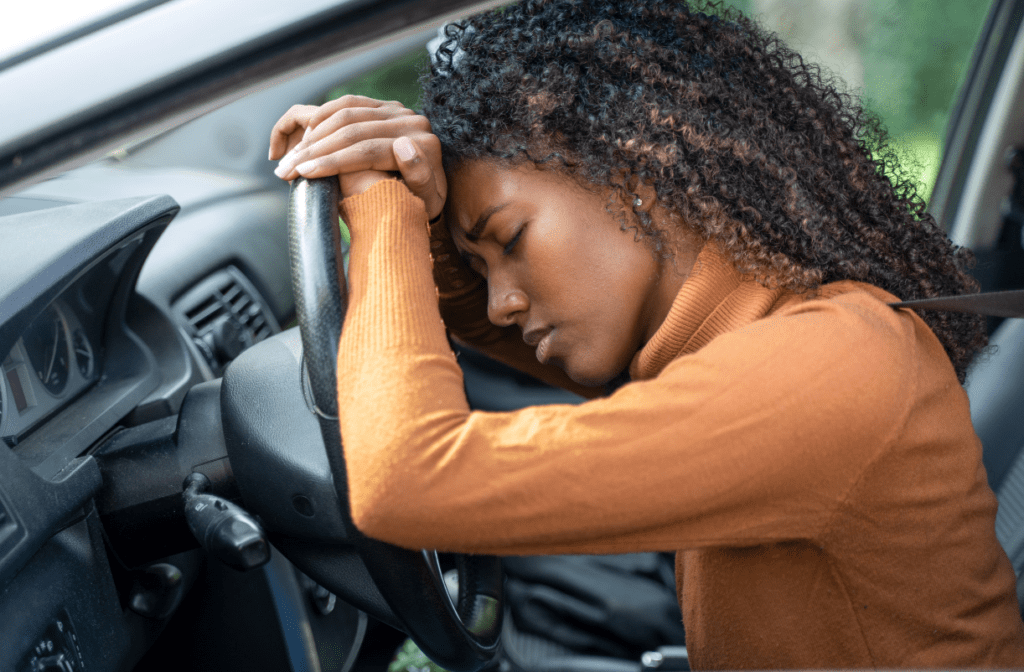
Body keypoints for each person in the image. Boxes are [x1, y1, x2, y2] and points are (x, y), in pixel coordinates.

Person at [267, 0, 1024, 667]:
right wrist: (425, 211)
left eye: (509, 238)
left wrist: (384, 209)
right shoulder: (741, 341)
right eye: (478, 265)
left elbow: (408, 481)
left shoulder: (830, 364)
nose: (498, 302)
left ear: (643, 163)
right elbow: (471, 319)